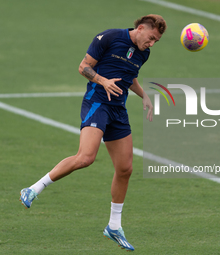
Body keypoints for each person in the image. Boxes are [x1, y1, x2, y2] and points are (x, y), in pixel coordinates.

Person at [20, 14, 167, 251]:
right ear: (140, 28)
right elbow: (83, 67)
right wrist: (102, 80)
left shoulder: (144, 53)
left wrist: (145, 95)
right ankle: (34, 188)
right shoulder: (108, 37)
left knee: (125, 169)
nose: (151, 44)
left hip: (118, 110)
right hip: (97, 103)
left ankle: (114, 226)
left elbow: (130, 76)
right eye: (151, 38)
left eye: (156, 42)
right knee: (86, 157)